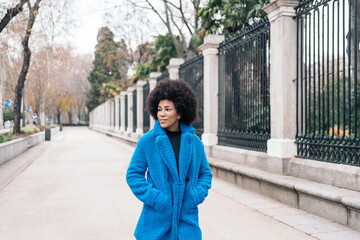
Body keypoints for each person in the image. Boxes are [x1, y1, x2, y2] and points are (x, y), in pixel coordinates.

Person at [126, 79, 213, 240]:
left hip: (187, 219)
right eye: (159, 109)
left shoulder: (195, 143)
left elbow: (205, 174)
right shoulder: (147, 141)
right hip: (156, 218)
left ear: (179, 112)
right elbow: (133, 175)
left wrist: (195, 195)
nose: (162, 114)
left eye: (167, 109)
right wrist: (156, 198)